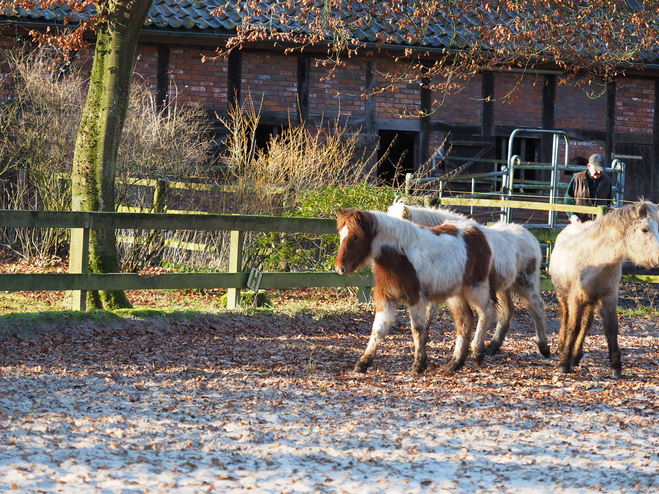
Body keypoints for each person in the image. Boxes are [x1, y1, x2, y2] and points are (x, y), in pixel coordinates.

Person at [564, 153, 613, 223]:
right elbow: (568, 199)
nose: (599, 172)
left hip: (599, 223)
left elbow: (609, 203)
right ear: (589, 166)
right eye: (596, 169)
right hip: (580, 222)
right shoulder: (577, 179)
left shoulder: (607, 181)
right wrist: (572, 215)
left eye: (601, 170)